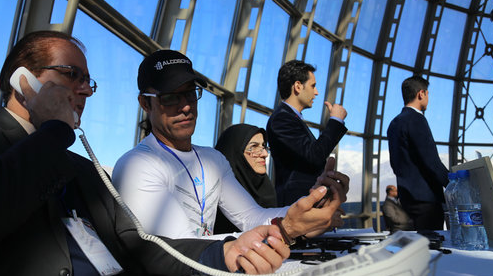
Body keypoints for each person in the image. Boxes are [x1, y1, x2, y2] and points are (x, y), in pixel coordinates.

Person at [0, 31, 291, 276]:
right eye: (72, 76)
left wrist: (220, 253)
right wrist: (54, 131)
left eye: (88, 81)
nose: (85, 90)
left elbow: (137, 245)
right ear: (23, 82)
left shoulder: (82, 170)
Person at [112, 50, 348, 242]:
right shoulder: (137, 165)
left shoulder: (212, 159)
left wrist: (309, 207)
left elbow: (251, 216)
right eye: (171, 97)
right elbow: (181, 248)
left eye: (190, 94)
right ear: (145, 103)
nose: (185, 107)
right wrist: (286, 228)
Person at [266, 60, 348, 206]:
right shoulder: (282, 119)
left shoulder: (289, 118)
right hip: (295, 203)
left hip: (304, 201)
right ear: (298, 86)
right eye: (313, 86)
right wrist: (336, 120)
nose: (316, 92)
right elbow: (314, 155)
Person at [387, 75, 449, 230]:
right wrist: (453, 183)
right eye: (427, 94)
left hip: (407, 199)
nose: (428, 98)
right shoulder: (417, 120)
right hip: (426, 200)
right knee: (431, 247)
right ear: (421, 94)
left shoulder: (394, 123)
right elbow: (431, 162)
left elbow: (395, 163)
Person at [213, 124, 276, 234]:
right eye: (254, 147)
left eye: (263, 146)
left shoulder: (267, 189)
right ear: (235, 151)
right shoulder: (217, 191)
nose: (265, 154)